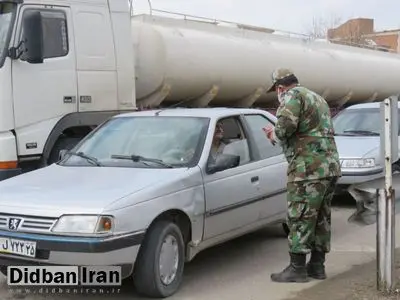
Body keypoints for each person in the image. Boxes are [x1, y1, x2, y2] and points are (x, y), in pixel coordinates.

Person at [264, 68, 341, 283]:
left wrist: (273, 134)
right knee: (320, 217)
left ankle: (297, 269)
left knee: (300, 215)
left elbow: (285, 127)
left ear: (280, 87)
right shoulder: (318, 98)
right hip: (329, 166)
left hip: (308, 169)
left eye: (276, 91)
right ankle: (317, 266)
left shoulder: (292, 96)